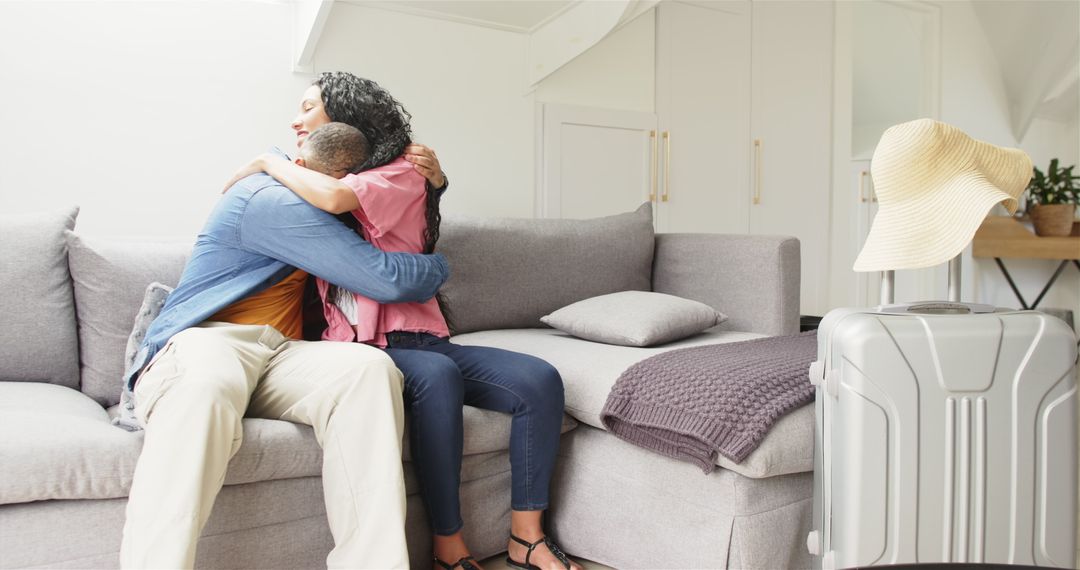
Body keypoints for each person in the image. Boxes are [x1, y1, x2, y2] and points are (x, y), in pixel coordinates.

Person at [235, 71, 579, 570]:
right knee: (437, 377)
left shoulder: (401, 168)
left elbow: (342, 201)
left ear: (345, 113)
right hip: (361, 351)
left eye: (308, 107)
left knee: (539, 379)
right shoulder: (309, 178)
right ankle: (448, 545)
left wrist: (265, 160)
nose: (296, 119)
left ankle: (526, 537)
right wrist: (278, 164)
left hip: (423, 338)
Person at [118, 94, 449, 568]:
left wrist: (436, 182)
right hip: (210, 340)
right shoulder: (270, 196)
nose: (297, 120)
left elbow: (397, 210)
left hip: (280, 354)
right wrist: (439, 266)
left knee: (368, 370)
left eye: (310, 109)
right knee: (205, 386)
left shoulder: (338, 197)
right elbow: (385, 277)